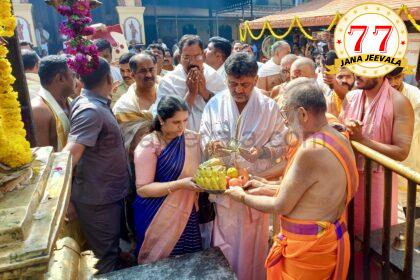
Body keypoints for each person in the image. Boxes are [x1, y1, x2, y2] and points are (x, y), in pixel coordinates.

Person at [225, 78, 359, 280]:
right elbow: (310, 193)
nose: (285, 124)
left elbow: (281, 204)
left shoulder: (310, 150)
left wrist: (240, 196)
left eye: (286, 116)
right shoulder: (338, 136)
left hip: (307, 248)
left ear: (303, 113)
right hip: (326, 238)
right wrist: (264, 185)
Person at [200, 52, 286, 280]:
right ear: (226, 79)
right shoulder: (215, 104)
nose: (238, 90)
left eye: (245, 84)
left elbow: (281, 140)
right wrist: (211, 146)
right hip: (225, 191)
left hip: (252, 189)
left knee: (253, 248)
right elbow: (204, 137)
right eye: (233, 84)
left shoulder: (268, 107)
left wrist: (262, 151)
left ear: (256, 80)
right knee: (223, 244)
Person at [64, 58, 130, 274]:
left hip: (107, 197)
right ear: (110, 78)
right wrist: (65, 200)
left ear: (80, 79)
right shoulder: (90, 110)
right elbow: (69, 157)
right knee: (105, 259)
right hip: (98, 201)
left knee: (112, 252)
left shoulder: (95, 105)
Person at [133, 95, 203, 264]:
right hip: (156, 214)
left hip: (185, 212)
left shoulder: (191, 139)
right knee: (162, 266)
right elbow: (143, 189)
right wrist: (180, 184)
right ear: (161, 120)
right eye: (176, 122)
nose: (182, 127)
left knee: (189, 264)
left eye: (185, 120)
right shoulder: (149, 144)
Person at [341, 75, 414, 235]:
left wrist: (362, 140)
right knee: (346, 235)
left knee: (374, 240)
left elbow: (401, 152)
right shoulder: (351, 97)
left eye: (365, 69)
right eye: (357, 68)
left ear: (381, 72)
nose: (357, 74)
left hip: (379, 185)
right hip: (347, 179)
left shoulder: (399, 102)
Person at [154, 34, 226, 132]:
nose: (192, 62)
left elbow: (225, 109)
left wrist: (204, 92)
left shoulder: (213, 76)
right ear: (179, 58)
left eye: (197, 56)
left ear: (204, 56)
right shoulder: (169, 81)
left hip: (211, 136)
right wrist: (191, 94)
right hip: (180, 138)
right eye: (187, 57)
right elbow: (164, 118)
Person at [385, 66, 420, 203]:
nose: (394, 83)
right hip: (386, 161)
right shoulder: (377, 93)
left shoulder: (416, 97)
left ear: (403, 74)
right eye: (389, 79)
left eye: (397, 77)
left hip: (411, 159)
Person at [113, 53, 157, 158]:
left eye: (151, 70)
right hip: (137, 164)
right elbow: (121, 142)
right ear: (133, 75)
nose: (148, 75)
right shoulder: (123, 107)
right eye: (143, 71)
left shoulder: (165, 94)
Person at [31, 55, 74, 151]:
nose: (76, 80)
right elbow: (42, 160)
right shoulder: (39, 110)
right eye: (73, 75)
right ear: (60, 78)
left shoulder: (70, 101)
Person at [322, 51, 354, 117]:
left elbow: (347, 96)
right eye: (340, 77)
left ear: (354, 77)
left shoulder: (362, 95)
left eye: (348, 76)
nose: (344, 80)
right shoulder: (330, 99)